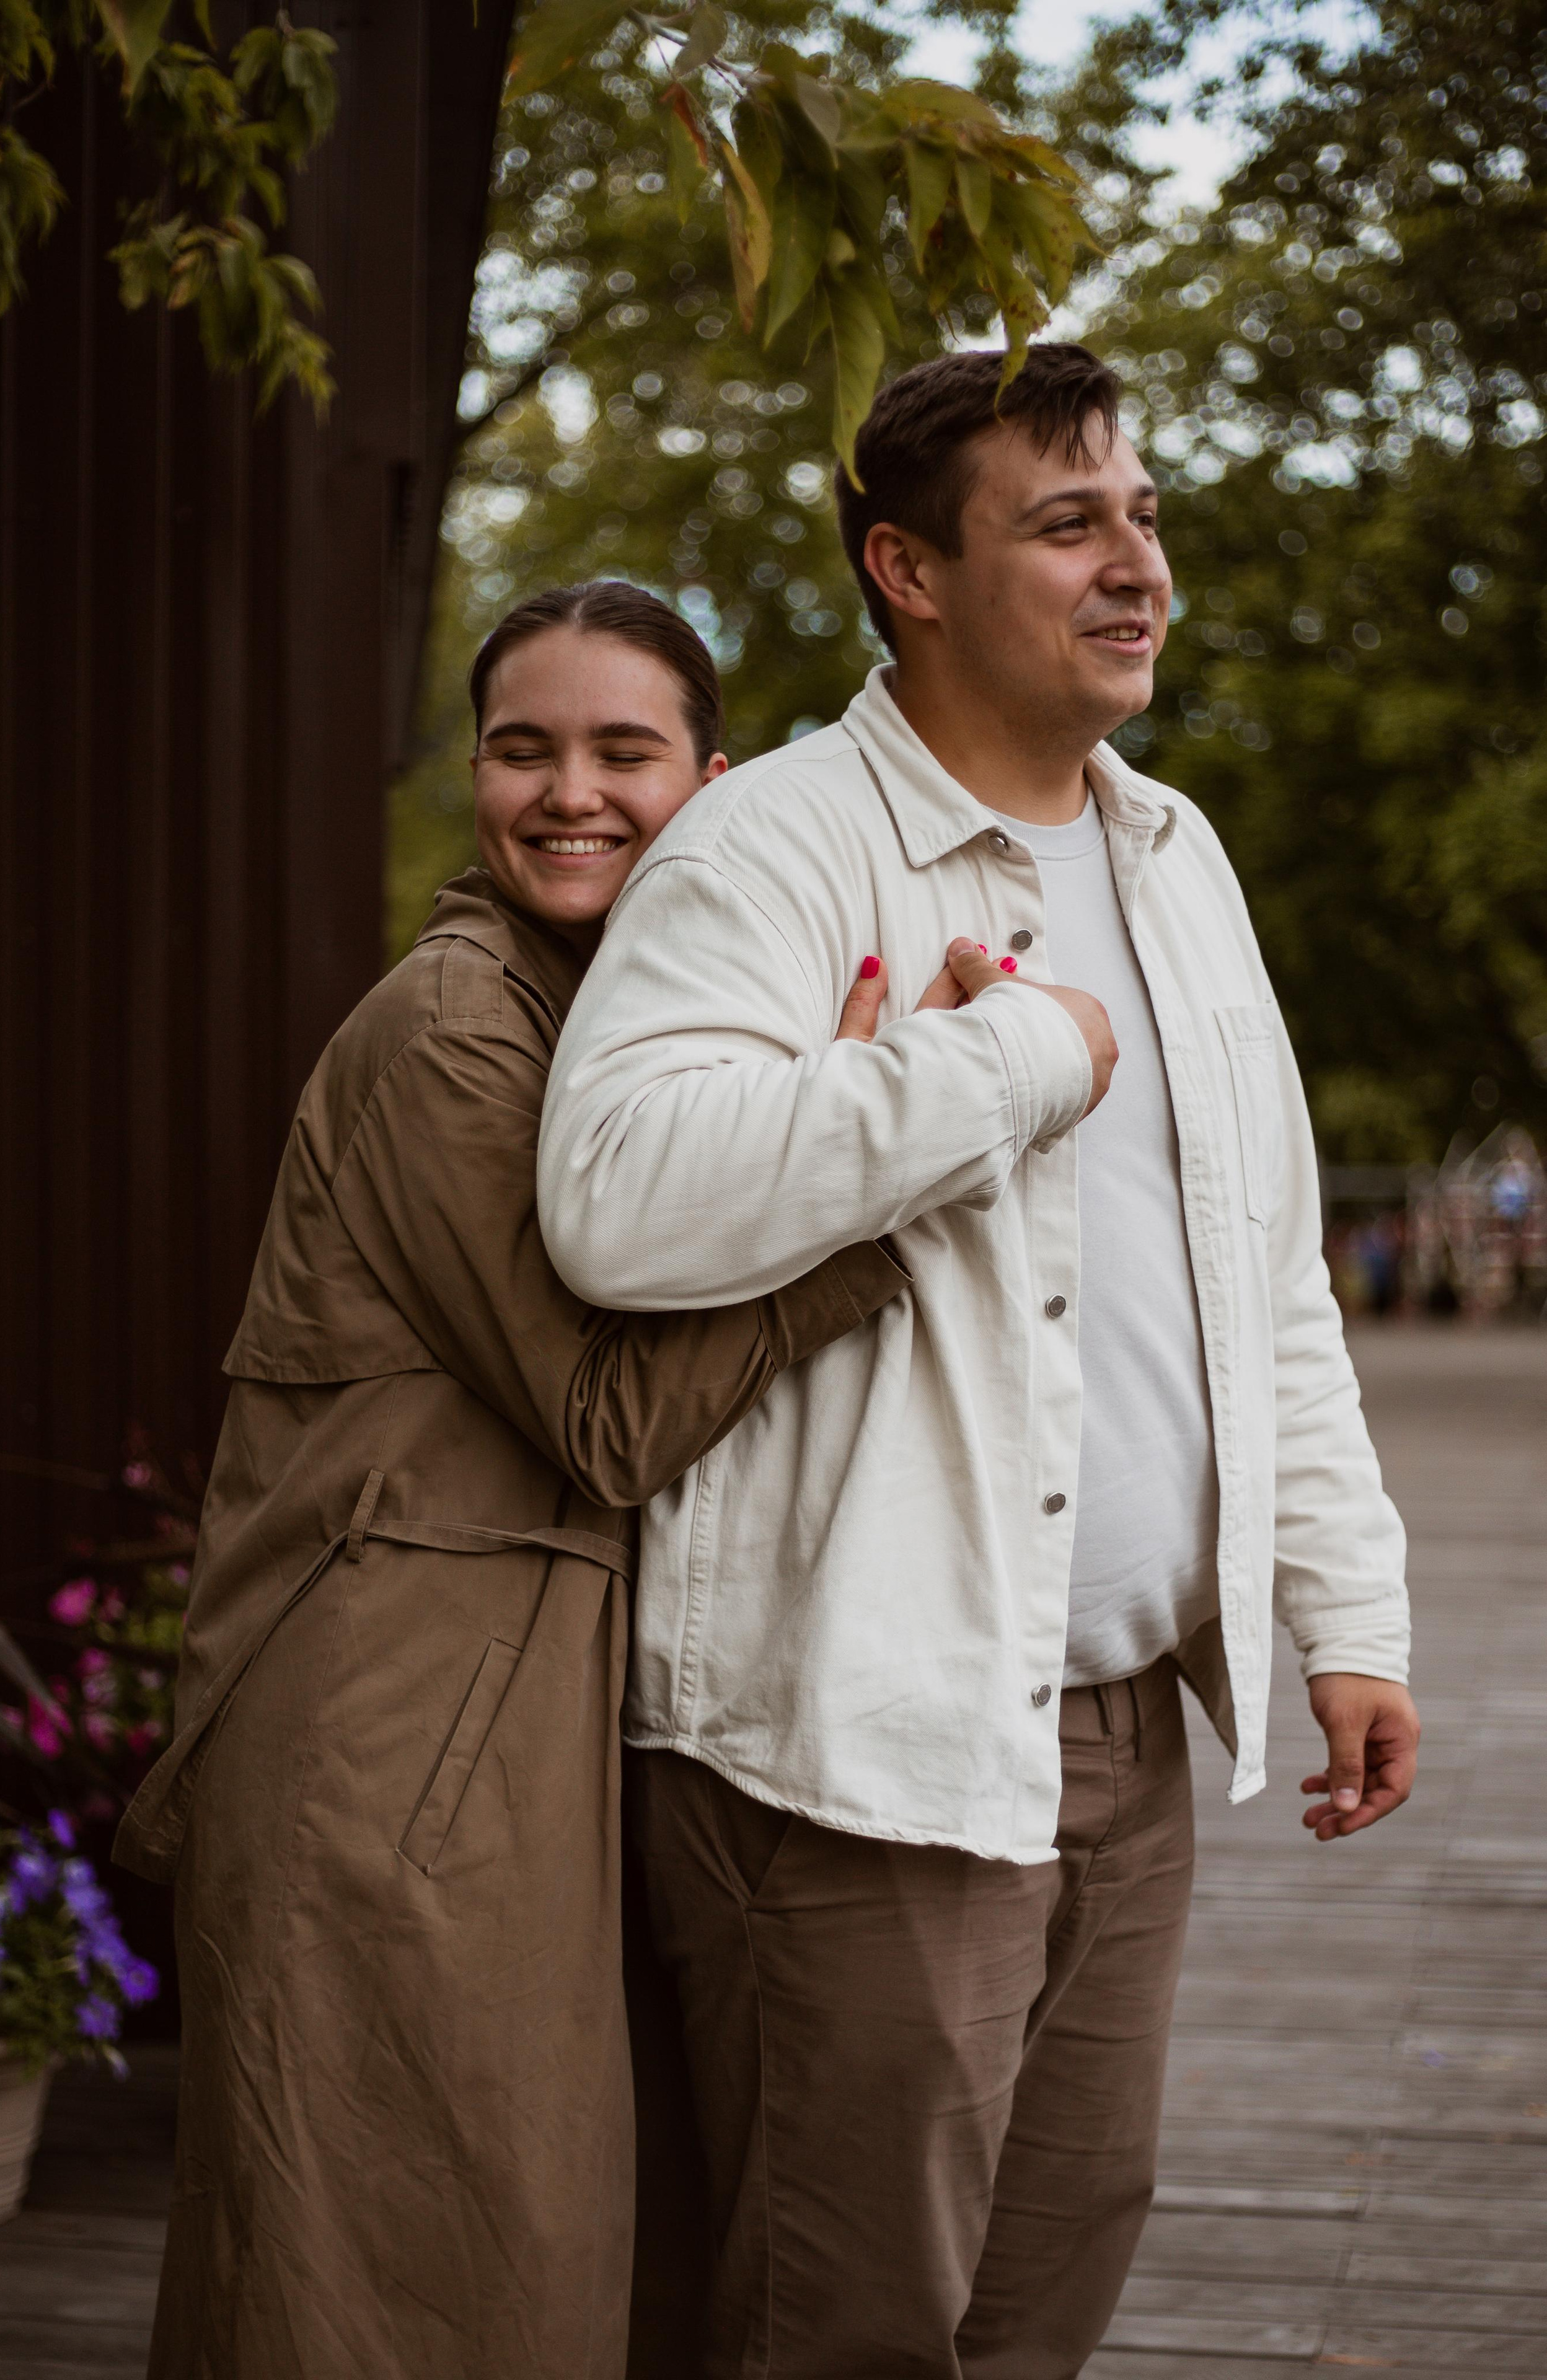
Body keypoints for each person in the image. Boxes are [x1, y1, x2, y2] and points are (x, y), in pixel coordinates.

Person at [537, 346, 1422, 2378]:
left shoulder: (1179, 858)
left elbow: (1264, 1273)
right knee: (839, 2325)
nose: (1138, 568)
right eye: (1069, 523)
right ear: (907, 571)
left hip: (1119, 1731)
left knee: (1047, 2290)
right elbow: (617, 1198)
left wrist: (1344, 1611)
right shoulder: (766, 849)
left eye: (1145, 515)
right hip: (856, 1742)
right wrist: (1001, 1061)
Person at [113, 583, 912, 2380]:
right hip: (388, 1735)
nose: (571, 793)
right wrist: (867, 1185)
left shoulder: (609, 1027)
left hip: (489, 1716)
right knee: (391, 2276)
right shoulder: (457, 1031)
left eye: (624, 752)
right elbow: (609, 1421)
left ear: (710, 785)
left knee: (489, 2255)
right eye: (522, 749)